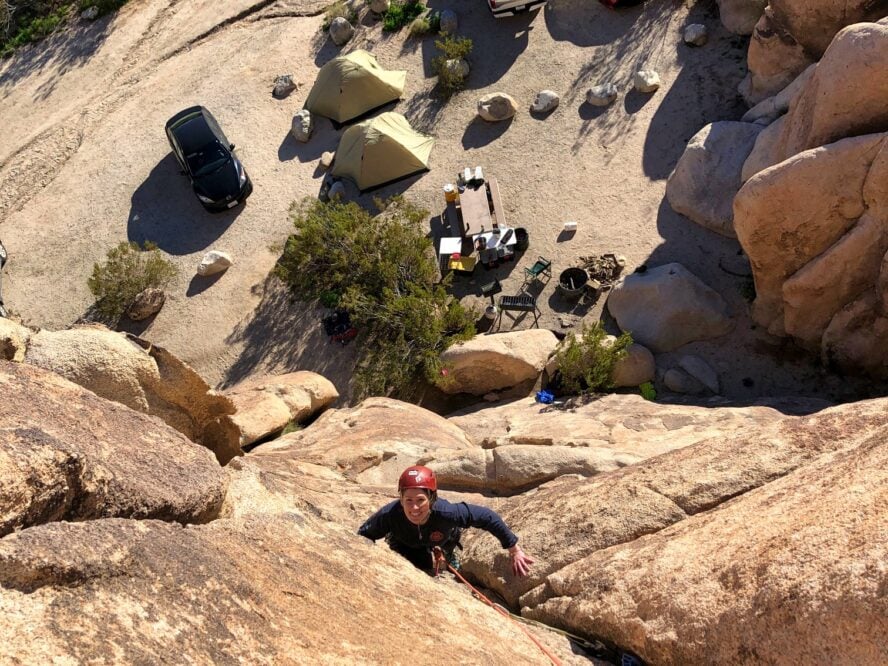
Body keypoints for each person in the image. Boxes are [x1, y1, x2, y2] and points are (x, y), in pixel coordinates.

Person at [358, 465, 534, 577]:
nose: (414, 508)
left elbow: (488, 517)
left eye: (420, 500)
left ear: (432, 498)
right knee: (422, 567)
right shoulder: (390, 515)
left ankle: (448, 554)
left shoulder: (447, 513)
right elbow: (363, 535)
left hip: (443, 537)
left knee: (446, 538)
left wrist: (514, 550)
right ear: (401, 498)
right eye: (408, 500)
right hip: (407, 542)